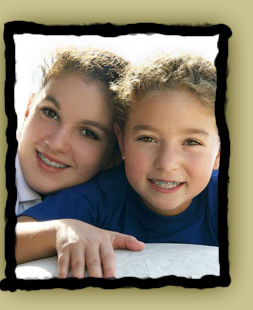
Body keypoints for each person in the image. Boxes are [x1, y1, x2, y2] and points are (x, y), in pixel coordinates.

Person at [19, 54, 220, 278]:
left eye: (192, 142)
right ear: (121, 141)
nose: (166, 163)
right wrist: (60, 231)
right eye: (147, 138)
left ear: (220, 153)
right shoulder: (102, 195)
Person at [15, 47, 145, 278]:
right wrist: (58, 231)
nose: (56, 143)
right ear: (27, 109)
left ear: (115, 156)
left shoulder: (105, 199)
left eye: (87, 132)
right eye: (50, 113)